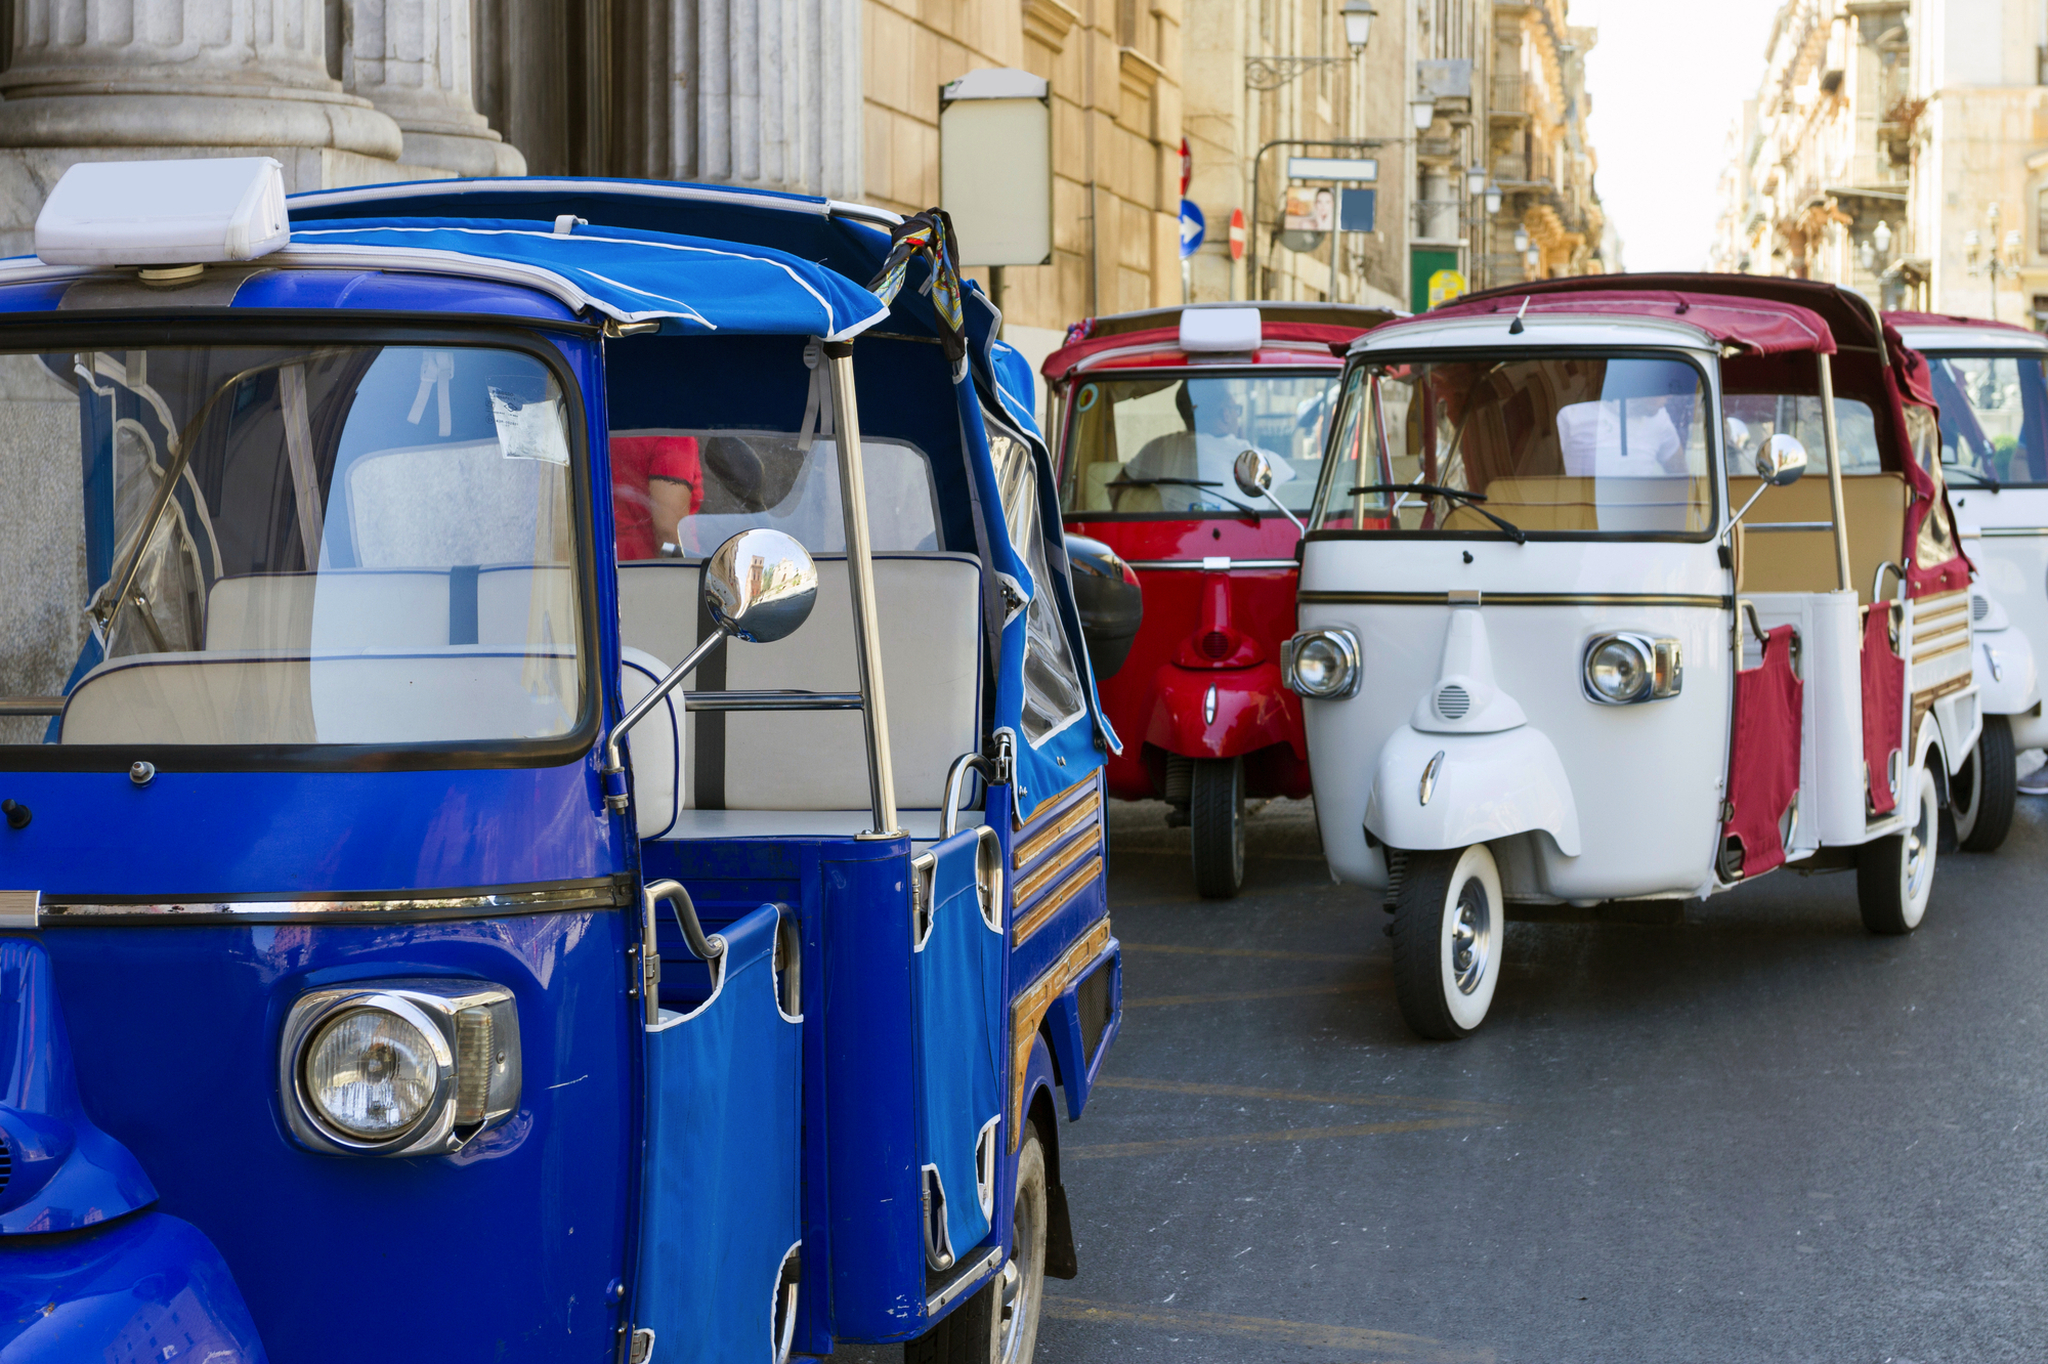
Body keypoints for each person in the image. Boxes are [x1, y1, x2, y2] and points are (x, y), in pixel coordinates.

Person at [1126, 380, 1294, 513]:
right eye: (1236, 409)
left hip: (1175, 539)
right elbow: (1299, 490)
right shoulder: (1255, 456)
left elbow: (1120, 488)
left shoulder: (1159, 447)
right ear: (1225, 414)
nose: (1237, 415)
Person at [612, 434, 700, 559]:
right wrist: (687, 572)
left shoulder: (605, 426)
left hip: (604, 564)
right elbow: (669, 533)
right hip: (649, 568)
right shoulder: (674, 437)